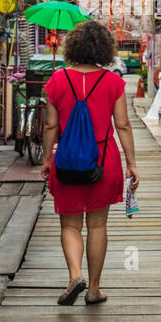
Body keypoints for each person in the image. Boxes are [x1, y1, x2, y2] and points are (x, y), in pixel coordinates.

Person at [40, 20, 139, 305]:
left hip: (68, 160)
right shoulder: (113, 82)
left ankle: (74, 275)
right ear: (104, 48)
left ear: (73, 46)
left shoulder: (57, 80)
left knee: (70, 225)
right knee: (97, 226)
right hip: (103, 160)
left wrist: (47, 160)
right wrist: (131, 163)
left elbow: (50, 127)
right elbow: (122, 126)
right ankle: (94, 289)